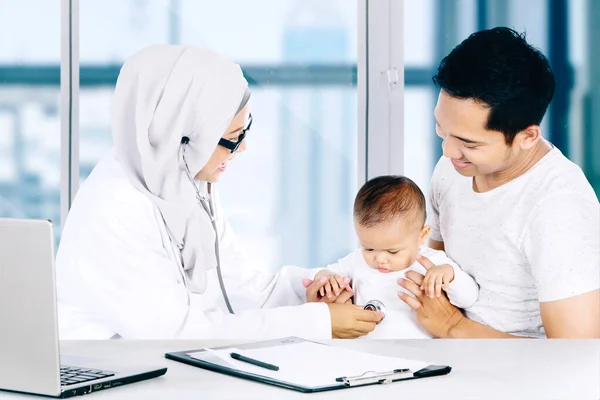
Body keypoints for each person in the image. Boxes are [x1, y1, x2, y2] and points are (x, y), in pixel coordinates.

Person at [55, 44, 382, 340]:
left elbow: (236, 287)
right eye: (231, 138)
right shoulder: (117, 205)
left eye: (244, 131)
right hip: (112, 372)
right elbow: (172, 333)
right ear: (181, 136)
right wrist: (316, 323)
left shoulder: (187, 182)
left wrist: (319, 285)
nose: (241, 149)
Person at [397, 27, 600, 338]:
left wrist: (453, 327)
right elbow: (427, 269)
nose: (448, 151)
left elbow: (578, 354)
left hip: (519, 381)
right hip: (444, 358)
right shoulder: (454, 166)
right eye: (442, 129)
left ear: (527, 137)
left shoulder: (559, 207)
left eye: (469, 142)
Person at [302, 175, 479, 338]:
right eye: (369, 248)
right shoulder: (356, 261)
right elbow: (322, 274)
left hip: (419, 354)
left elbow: (469, 297)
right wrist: (326, 279)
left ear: (422, 235)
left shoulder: (433, 263)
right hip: (365, 353)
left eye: (392, 251)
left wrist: (450, 275)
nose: (379, 259)